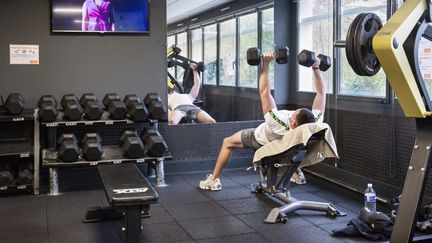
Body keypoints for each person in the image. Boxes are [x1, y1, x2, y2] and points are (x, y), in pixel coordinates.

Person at [199, 52, 326, 191]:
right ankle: (296, 172)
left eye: (293, 114)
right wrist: (316, 68)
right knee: (292, 147)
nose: (291, 113)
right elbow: (321, 93)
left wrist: (266, 64)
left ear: (293, 123)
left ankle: (214, 179)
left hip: (261, 139)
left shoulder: (278, 122)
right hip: (289, 146)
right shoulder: (315, 123)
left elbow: (264, 91)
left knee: (228, 142)